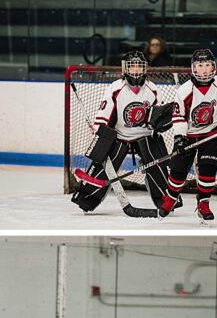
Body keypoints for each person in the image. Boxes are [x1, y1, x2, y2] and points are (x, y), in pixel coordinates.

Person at [70, 50, 173, 214]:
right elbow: (103, 116)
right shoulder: (115, 88)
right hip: (120, 136)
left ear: (145, 68)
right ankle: (87, 198)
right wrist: (100, 131)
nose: (136, 70)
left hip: (145, 136)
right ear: (125, 69)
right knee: (102, 163)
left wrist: (162, 124)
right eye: (132, 67)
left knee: (158, 163)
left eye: (139, 67)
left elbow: (161, 116)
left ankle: (165, 199)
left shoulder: (153, 89)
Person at [161, 48, 217, 222]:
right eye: (200, 65)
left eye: (207, 65)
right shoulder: (185, 91)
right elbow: (178, 117)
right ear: (193, 68)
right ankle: (170, 197)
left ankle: (203, 202)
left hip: (210, 135)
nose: (204, 69)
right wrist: (179, 138)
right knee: (178, 170)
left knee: (209, 167)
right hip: (188, 136)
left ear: (213, 67)